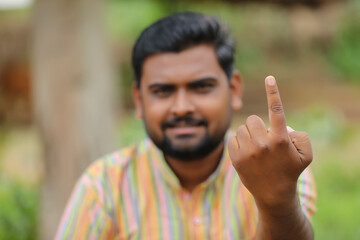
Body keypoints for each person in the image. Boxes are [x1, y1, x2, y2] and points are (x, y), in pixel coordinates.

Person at [55, 11, 316, 240]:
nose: (181, 107)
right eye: (162, 91)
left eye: (201, 87)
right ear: (138, 99)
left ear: (234, 89)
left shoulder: (277, 168)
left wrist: (276, 201)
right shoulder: (103, 186)